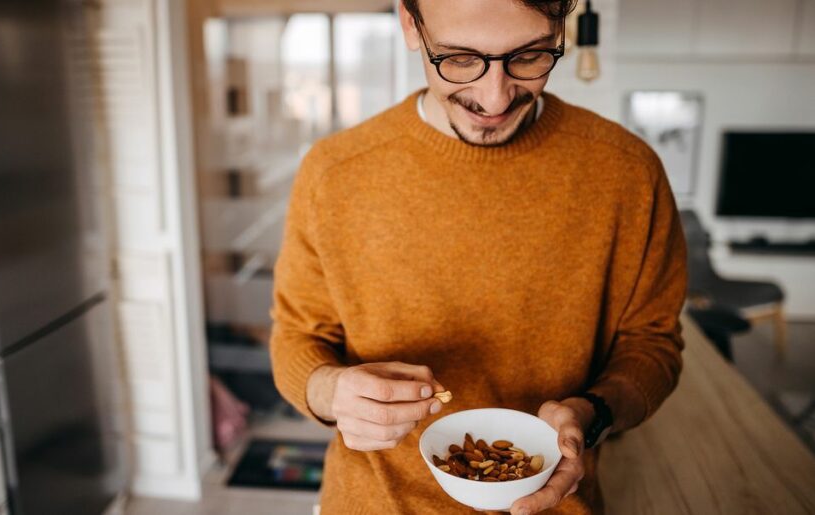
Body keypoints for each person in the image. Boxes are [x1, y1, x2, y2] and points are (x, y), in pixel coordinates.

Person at [268, 0, 687, 513]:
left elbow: (653, 345)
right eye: (460, 59)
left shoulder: (629, 173)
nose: (495, 97)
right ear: (409, 23)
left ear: (560, 30)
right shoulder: (332, 173)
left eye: (530, 55)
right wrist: (329, 390)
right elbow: (296, 339)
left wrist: (594, 412)